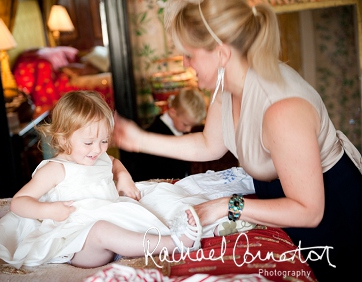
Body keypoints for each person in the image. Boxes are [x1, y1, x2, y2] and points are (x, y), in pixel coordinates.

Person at [113, 0, 362, 279]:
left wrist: (225, 206)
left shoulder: (282, 110)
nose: (185, 63)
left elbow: (308, 212)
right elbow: (209, 144)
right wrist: (139, 139)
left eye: (189, 55)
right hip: (280, 197)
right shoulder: (227, 84)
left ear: (221, 53)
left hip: (331, 213)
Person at [0, 91, 202, 269]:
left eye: (104, 141)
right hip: (77, 241)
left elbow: (114, 163)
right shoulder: (56, 169)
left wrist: (124, 178)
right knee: (101, 230)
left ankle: (155, 234)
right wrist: (49, 211)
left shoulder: (99, 157)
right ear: (64, 138)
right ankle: (173, 243)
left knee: (156, 194)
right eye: (89, 143)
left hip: (111, 217)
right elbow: (18, 202)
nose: (98, 150)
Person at [128, 87, 207, 181]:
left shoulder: (177, 130)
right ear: (173, 112)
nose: (188, 129)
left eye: (192, 126)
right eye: (185, 124)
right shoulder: (157, 134)